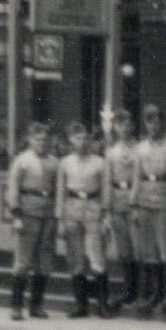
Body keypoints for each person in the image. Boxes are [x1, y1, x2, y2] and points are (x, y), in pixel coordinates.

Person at [55, 121, 111, 319]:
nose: (82, 141)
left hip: (93, 210)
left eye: (85, 137)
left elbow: (105, 190)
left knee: (96, 257)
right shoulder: (65, 163)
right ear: (70, 140)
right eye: (77, 138)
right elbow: (60, 191)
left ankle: (102, 304)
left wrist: (106, 216)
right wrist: (59, 220)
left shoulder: (99, 162)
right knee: (75, 258)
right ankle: (81, 305)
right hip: (72, 210)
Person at [5, 121, 58, 321]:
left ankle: (36, 305)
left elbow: (57, 189)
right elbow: (13, 189)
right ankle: (16, 307)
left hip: (48, 214)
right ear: (30, 140)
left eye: (45, 139)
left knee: (44, 262)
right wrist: (16, 215)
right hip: (27, 214)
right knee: (23, 261)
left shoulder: (54, 162)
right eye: (37, 139)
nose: (42, 143)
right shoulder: (22, 161)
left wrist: (56, 216)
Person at [132, 103, 166, 317]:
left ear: (162, 122)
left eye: (156, 120)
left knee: (165, 249)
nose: (153, 125)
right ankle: (153, 294)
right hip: (144, 201)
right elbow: (136, 177)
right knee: (148, 251)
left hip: (164, 201)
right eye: (149, 121)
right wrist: (133, 205)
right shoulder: (140, 148)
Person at [104, 109, 141, 310]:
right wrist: (108, 208)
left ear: (132, 126)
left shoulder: (140, 149)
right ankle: (129, 289)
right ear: (116, 128)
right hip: (117, 199)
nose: (125, 128)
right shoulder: (111, 152)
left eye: (128, 124)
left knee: (138, 246)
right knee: (123, 248)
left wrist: (136, 202)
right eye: (121, 125)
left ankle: (142, 291)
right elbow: (108, 180)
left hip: (135, 199)